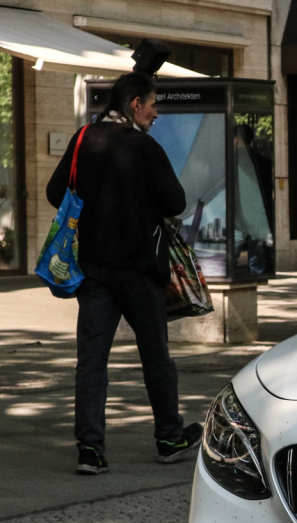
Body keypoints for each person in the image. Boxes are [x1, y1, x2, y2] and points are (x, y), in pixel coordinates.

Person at [45, 72, 201, 475]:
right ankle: (169, 437)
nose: (155, 114)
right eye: (152, 105)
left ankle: (90, 450)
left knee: (91, 361)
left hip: (93, 268)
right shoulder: (144, 148)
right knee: (155, 356)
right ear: (134, 104)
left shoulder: (83, 140)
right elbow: (177, 201)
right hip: (139, 269)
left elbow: (54, 192)